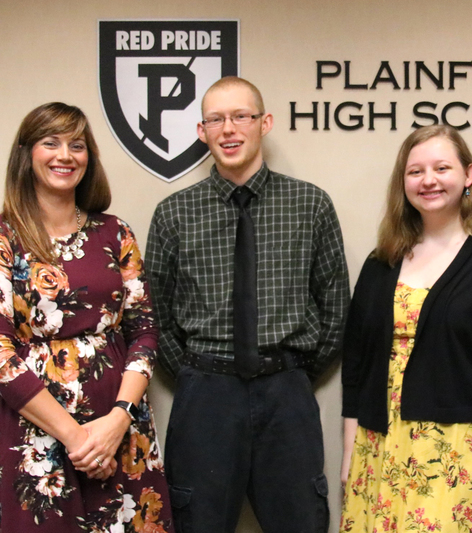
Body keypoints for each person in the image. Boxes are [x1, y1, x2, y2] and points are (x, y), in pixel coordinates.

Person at [145, 76, 349, 532]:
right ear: (202, 131)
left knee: (301, 521)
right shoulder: (174, 214)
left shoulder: (309, 204)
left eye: (241, 116)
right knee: (197, 521)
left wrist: (291, 371)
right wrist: (199, 375)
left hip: (286, 394)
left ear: (264, 123)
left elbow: (336, 307)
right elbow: (153, 315)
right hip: (205, 396)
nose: (229, 129)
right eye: (216, 119)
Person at [0, 102, 172, 532]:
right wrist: (77, 439)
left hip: (119, 430)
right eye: (51, 143)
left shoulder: (116, 233)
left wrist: (117, 421)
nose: (65, 155)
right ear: (27, 154)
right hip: (35, 435)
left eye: (77, 145)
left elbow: (146, 332)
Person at [340, 125, 472, 533]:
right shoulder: (381, 263)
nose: (428, 180)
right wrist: (351, 454)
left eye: (441, 167)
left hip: (467, 455)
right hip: (381, 449)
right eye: (415, 172)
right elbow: (356, 367)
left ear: (468, 175)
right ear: (403, 183)